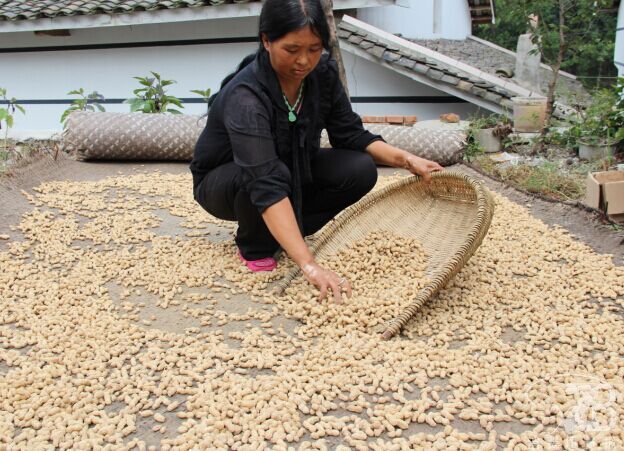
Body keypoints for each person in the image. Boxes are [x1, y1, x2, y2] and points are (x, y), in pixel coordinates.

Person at [190, 0, 443, 303]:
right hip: (227, 182)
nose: (304, 61)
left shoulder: (322, 74)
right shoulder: (246, 98)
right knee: (269, 177)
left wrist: (406, 159)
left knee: (360, 169)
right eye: (292, 49)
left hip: (293, 169)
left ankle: (288, 231)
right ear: (266, 40)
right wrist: (309, 264)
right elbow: (265, 181)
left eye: (314, 49)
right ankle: (255, 245)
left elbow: (349, 132)